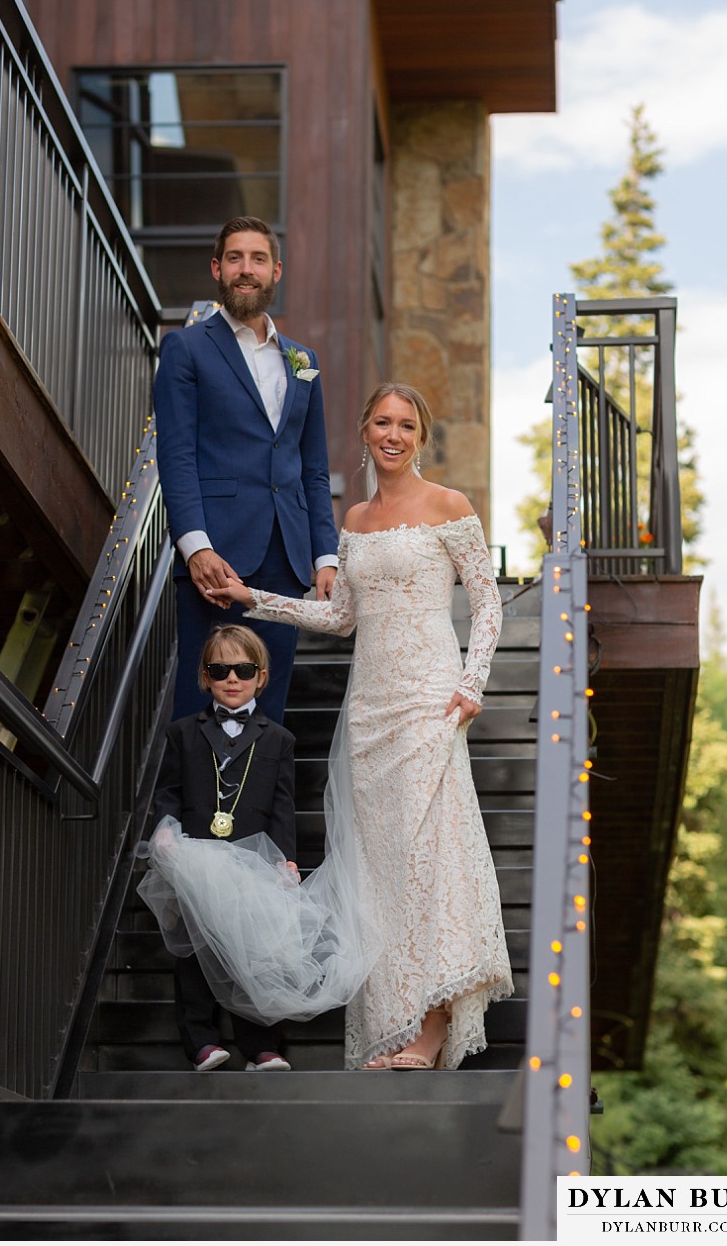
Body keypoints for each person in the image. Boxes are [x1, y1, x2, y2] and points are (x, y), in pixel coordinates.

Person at [210, 382, 513, 1071]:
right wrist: (254, 599)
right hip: (371, 708)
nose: (394, 434)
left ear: (421, 435)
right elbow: (340, 616)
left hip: (431, 698)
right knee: (379, 872)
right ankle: (398, 1022)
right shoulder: (355, 519)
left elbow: (489, 604)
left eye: (407, 424)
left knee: (428, 856)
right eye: (383, 421)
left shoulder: (450, 507)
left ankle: (433, 1026)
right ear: (365, 430)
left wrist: (473, 682)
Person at [152, 216, 339, 724]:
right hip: (218, 559)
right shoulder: (186, 348)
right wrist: (196, 547)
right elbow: (176, 454)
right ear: (217, 268)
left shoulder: (304, 360)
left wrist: (326, 554)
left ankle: (255, 808)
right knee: (203, 706)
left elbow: (313, 468)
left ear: (276, 271)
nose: (246, 270)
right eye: (235, 258)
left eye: (258, 259)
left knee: (267, 710)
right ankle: (191, 807)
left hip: (286, 559)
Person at [141, 624, 299, 1072]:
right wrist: (165, 828)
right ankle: (201, 1041)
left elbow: (284, 806)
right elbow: (168, 789)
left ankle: (260, 1044)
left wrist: (286, 857)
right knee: (194, 949)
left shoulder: (278, 739)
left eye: (244, 669)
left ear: (262, 676)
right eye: (220, 669)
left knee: (256, 952)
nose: (233, 679)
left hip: (253, 860)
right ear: (205, 676)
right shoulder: (183, 733)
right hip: (197, 857)